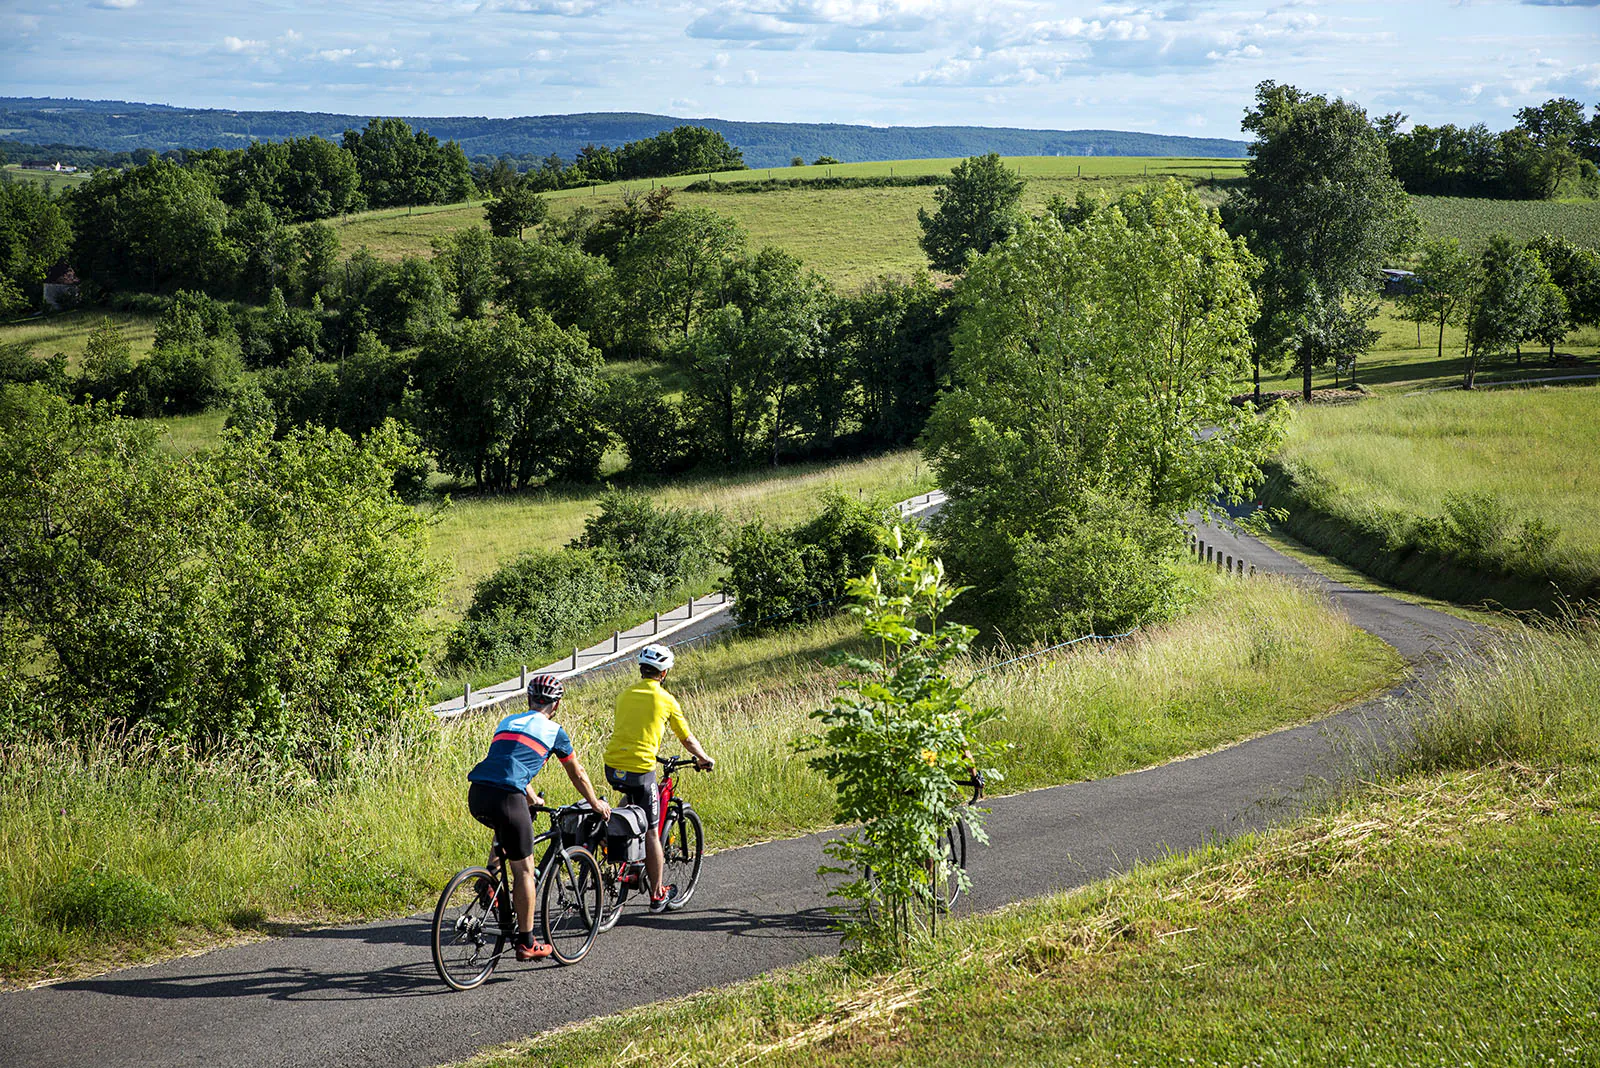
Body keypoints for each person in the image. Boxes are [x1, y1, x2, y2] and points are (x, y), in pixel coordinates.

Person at [466, 673, 611, 961]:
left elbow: (509, 763)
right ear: (555, 706)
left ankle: (490, 876)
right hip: (508, 797)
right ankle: (528, 942)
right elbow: (577, 773)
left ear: (529, 699)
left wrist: (532, 799)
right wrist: (594, 803)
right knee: (524, 870)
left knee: (505, 825)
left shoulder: (507, 722)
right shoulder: (555, 731)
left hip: (478, 793)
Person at [604, 643, 714, 913]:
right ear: (663, 673)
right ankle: (657, 894)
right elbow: (686, 738)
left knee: (628, 803)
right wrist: (703, 758)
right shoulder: (666, 700)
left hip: (613, 766)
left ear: (642, 670)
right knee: (652, 831)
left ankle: (608, 842)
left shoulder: (624, 695)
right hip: (641, 769)